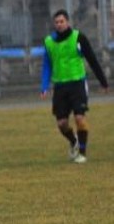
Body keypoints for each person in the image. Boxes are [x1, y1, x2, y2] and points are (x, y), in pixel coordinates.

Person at [40, 9, 108, 164]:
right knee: (62, 124)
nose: (59, 24)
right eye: (56, 22)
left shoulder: (78, 38)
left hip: (77, 84)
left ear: (67, 22)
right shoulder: (49, 42)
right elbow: (47, 66)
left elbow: (92, 60)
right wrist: (44, 86)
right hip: (60, 86)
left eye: (62, 21)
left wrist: (103, 82)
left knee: (79, 118)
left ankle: (82, 153)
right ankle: (74, 141)